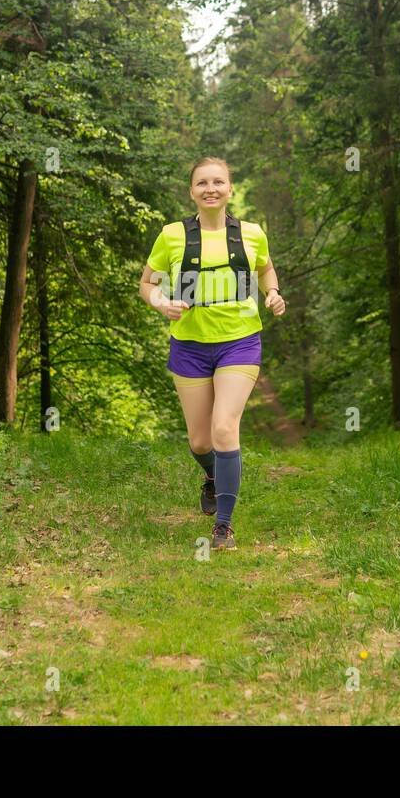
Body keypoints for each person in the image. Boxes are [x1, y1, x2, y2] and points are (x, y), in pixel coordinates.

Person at [138, 157, 286, 550]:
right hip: (189, 344)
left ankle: (223, 525)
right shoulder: (172, 235)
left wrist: (271, 292)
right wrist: (160, 302)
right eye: (202, 183)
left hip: (240, 340)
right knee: (201, 441)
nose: (211, 189)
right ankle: (212, 476)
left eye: (218, 182)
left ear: (230, 189)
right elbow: (146, 283)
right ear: (192, 191)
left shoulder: (252, 233)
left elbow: (266, 270)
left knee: (224, 427)